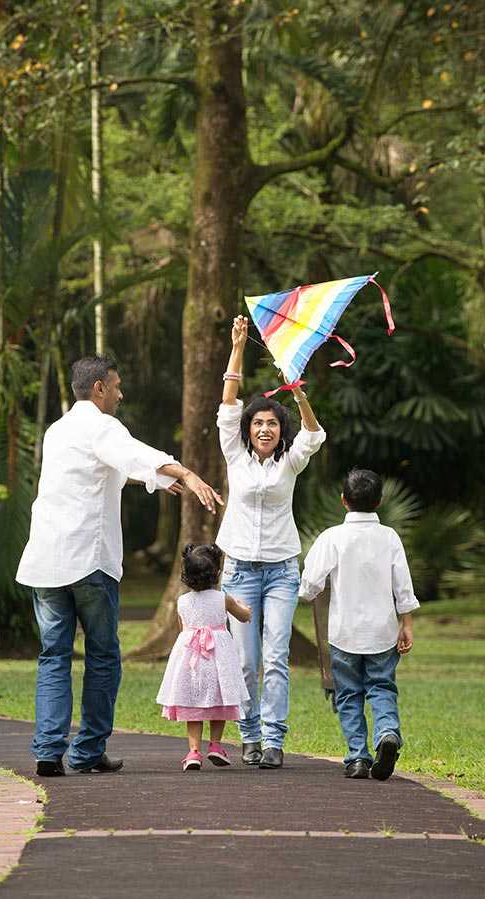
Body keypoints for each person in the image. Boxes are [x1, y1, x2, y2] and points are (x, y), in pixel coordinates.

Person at [16, 354, 223, 777]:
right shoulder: (102, 426)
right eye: (117, 386)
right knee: (104, 656)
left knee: (53, 656)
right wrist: (185, 472)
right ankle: (88, 751)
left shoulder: (58, 431)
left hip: (46, 560)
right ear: (98, 388)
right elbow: (130, 453)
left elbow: (103, 469)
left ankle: (47, 751)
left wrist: (159, 480)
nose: (121, 393)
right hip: (88, 561)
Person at [217, 315, 326, 769]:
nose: (265, 429)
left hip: (282, 570)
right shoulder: (234, 455)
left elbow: (314, 434)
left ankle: (275, 740)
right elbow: (228, 404)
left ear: (280, 430)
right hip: (239, 570)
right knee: (245, 661)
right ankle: (250, 736)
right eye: (258, 423)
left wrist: (297, 392)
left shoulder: (290, 463)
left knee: (276, 656)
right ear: (248, 430)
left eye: (272, 424)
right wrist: (239, 346)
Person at [299, 468, 420, 781]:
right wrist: (406, 622)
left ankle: (357, 758)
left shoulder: (332, 537)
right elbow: (402, 585)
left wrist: (308, 592)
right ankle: (387, 734)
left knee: (348, 694)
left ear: (343, 500)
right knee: (382, 688)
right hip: (382, 633)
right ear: (379, 501)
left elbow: (310, 584)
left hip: (344, 634)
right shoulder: (389, 537)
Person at [156, 543, 252, 771]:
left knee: (194, 704)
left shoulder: (182, 601)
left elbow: (184, 628)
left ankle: (193, 752)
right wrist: (244, 607)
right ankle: (216, 746)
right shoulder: (223, 598)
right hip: (218, 658)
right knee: (219, 700)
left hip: (191, 658)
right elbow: (243, 616)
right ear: (217, 573)